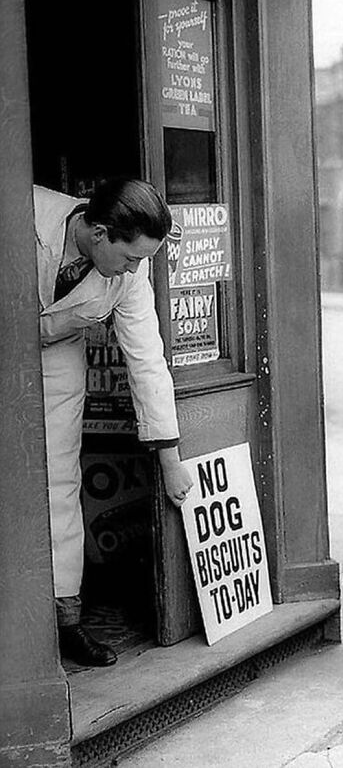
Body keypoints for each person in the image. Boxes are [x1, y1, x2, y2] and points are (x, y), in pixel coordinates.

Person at [35, 177, 194, 667]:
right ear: (99, 232)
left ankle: (65, 621)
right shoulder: (25, 210)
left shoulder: (128, 276)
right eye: (131, 258)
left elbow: (147, 360)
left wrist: (170, 459)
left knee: (59, 481)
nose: (136, 269)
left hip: (55, 359)